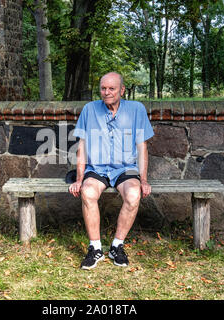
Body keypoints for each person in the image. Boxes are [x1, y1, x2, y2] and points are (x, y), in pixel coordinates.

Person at [69, 72, 154, 270]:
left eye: (111, 89)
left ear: (122, 90)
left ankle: (117, 246)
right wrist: (79, 178)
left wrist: (143, 180)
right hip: (97, 168)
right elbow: (82, 147)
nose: (106, 93)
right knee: (88, 192)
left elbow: (142, 147)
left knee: (134, 195)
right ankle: (95, 248)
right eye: (103, 88)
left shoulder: (136, 109)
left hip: (125, 168)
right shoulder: (90, 109)